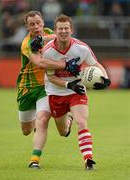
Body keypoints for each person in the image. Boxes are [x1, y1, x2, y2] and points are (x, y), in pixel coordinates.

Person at [42, 14, 111, 170]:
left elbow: (97, 64)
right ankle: (68, 120)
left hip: (77, 90)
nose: (63, 31)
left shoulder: (82, 48)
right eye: (60, 29)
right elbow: (51, 77)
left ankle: (88, 160)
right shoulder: (48, 52)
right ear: (55, 31)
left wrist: (106, 78)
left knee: (82, 122)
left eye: (66, 28)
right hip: (56, 92)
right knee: (63, 131)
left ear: (71, 30)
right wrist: (68, 84)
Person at [16, 11, 80, 169]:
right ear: (27, 27)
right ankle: (65, 120)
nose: (36, 26)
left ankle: (34, 160)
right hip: (26, 89)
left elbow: (60, 37)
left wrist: (43, 38)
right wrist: (66, 65)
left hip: (46, 86)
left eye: (38, 23)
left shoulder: (51, 33)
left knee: (43, 120)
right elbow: (40, 63)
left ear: (43, 23)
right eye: (32, 24)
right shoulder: (26, 44)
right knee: (25, 130)